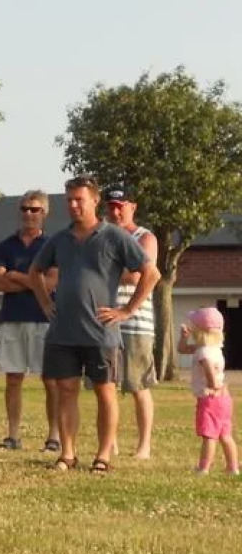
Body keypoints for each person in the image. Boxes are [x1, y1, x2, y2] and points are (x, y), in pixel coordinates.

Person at [28, 176, 159, 474]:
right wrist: (45, 302)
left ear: (94, 201)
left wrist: (126, 310)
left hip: (102, 331)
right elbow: (35, 271)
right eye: (69, 200)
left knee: (105, 392)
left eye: (79, 199)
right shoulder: (59, 239)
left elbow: (151, 273)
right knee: (66, 390)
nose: (73, 205)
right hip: (63, 331)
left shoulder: (114, 236)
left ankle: (102, 457)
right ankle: (68, 455)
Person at [0, 191, 60, 452]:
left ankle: (53, 436)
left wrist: (16, 276)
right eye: (24, 209)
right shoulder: (6, 246)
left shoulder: (53, 245)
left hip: (44, 318)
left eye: (35, 209)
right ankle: (12, 435)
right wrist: (32, 281)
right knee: (13, 379)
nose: (28, 214)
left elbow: (52, 283)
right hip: (12, 319)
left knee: (50, 379)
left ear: (45, 213)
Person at [104, 188, 159, 459]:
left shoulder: (145, 237)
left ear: (132, 207)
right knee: (107, 384)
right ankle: (110, 443)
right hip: (105, 321)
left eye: (120, 206)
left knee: (138, 386)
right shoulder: (101, 235)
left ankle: (143, 447)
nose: (115, 212)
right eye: (111, 206)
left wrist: (110, 270)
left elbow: (140, 276)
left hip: (137, 323)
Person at [179, 307, 237, 475]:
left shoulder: (203, 352)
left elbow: (209, 369)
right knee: (225, 434)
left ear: (199, 330)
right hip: (224, 399)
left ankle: (203, 467)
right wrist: (183, 338)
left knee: (209, 435)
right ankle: (232, 467)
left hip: (210, 398)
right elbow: (182, 349)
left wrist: (212, 385)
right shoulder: (215, 348)